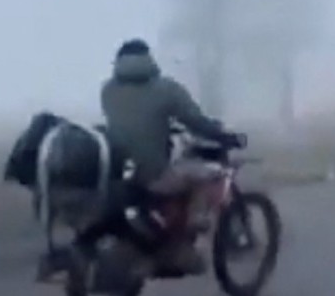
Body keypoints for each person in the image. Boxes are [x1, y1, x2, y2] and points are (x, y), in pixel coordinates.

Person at [100, 38, 237, 273]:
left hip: (122, 173)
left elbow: (133, 120)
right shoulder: (165, 89)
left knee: (177, 179)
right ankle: (190, 235)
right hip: (153, 173)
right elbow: (194, 120)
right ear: (148, 59)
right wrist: (223, 136)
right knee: (212, 175)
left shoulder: (108, 90)